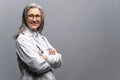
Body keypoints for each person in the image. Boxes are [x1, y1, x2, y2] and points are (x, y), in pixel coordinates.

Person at [14, 3, 62, 80]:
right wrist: (52, 58)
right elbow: (38, 66)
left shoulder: (41, 37)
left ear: (41, 18)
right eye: (30, 16)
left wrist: (46, 58)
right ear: (25, 18)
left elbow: (59, 60)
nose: (34, 19)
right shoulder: (22, 39)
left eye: (37, 16)